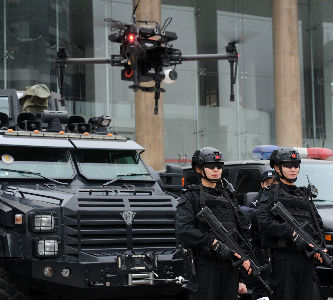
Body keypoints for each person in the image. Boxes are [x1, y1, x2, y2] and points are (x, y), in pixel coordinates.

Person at [176, 147, 251, 300]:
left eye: (219, 166)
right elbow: (184, 230)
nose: (216, 169)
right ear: (199, 168)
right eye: (210, 166)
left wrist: (241, 278)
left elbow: (242, 235)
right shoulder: (191, 196)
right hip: (205, 266)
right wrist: (213, 243)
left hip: (231, 268)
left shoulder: (229, 199)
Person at [257, 147, 327, 300]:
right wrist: (289, 232)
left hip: (306, 259)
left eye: (296, 165)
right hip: (283, 258)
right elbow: (264, 222)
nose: (293, 169)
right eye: (288, 165)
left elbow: (317, 224)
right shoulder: (269, 193)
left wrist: (320, 247)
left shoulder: (303, 195)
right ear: (277, 167)